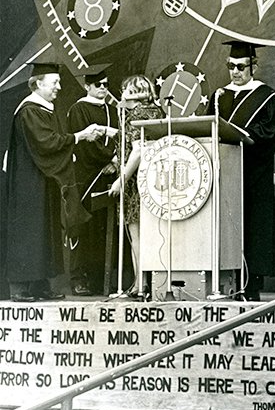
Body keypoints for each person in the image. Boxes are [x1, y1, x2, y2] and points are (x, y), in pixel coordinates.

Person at [4, 61, 104, 302]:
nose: (59, 87)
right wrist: (79, 137)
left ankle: (39, 285)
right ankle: (20, 288)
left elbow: (53, 141)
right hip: (28, 182)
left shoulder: (45, 108)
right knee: (29, 230)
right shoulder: (29, 110)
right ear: (38, 84)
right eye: (55, 82)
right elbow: (46, 143)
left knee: (44, 229)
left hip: (43, 177)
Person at [207, 41, 275, 301]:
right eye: (231, 66)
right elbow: (209, 130)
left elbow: (268, 134)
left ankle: (251, 286)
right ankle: (223, 283)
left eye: (240, 66)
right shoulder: (219, 96)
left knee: (253, 227)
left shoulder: (267, 97)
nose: (235, 72)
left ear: (253, 66)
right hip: (224, 174)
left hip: (252, 174)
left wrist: (240, 136)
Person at [109, 75, 163, 297]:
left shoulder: (136, 115)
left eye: (125, 90)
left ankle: (140, 285)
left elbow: (138, 150)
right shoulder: (157, 112)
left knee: (136, 234)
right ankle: (143, 283)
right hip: (154, 180)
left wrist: (121, 179)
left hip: (136, 182)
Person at [67, 64, 118, 296]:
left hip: (109, 174)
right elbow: (86, 144)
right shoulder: (78, 109)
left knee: (102, 228)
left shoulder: (112, 110)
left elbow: (120, 137)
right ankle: (79, 278)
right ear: (87, 86)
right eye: (99, 85)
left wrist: (116, 162)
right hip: (87, 174)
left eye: (107, 85)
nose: (103, 89)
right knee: (83, 226)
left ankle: (100, 279)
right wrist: (107, 159)